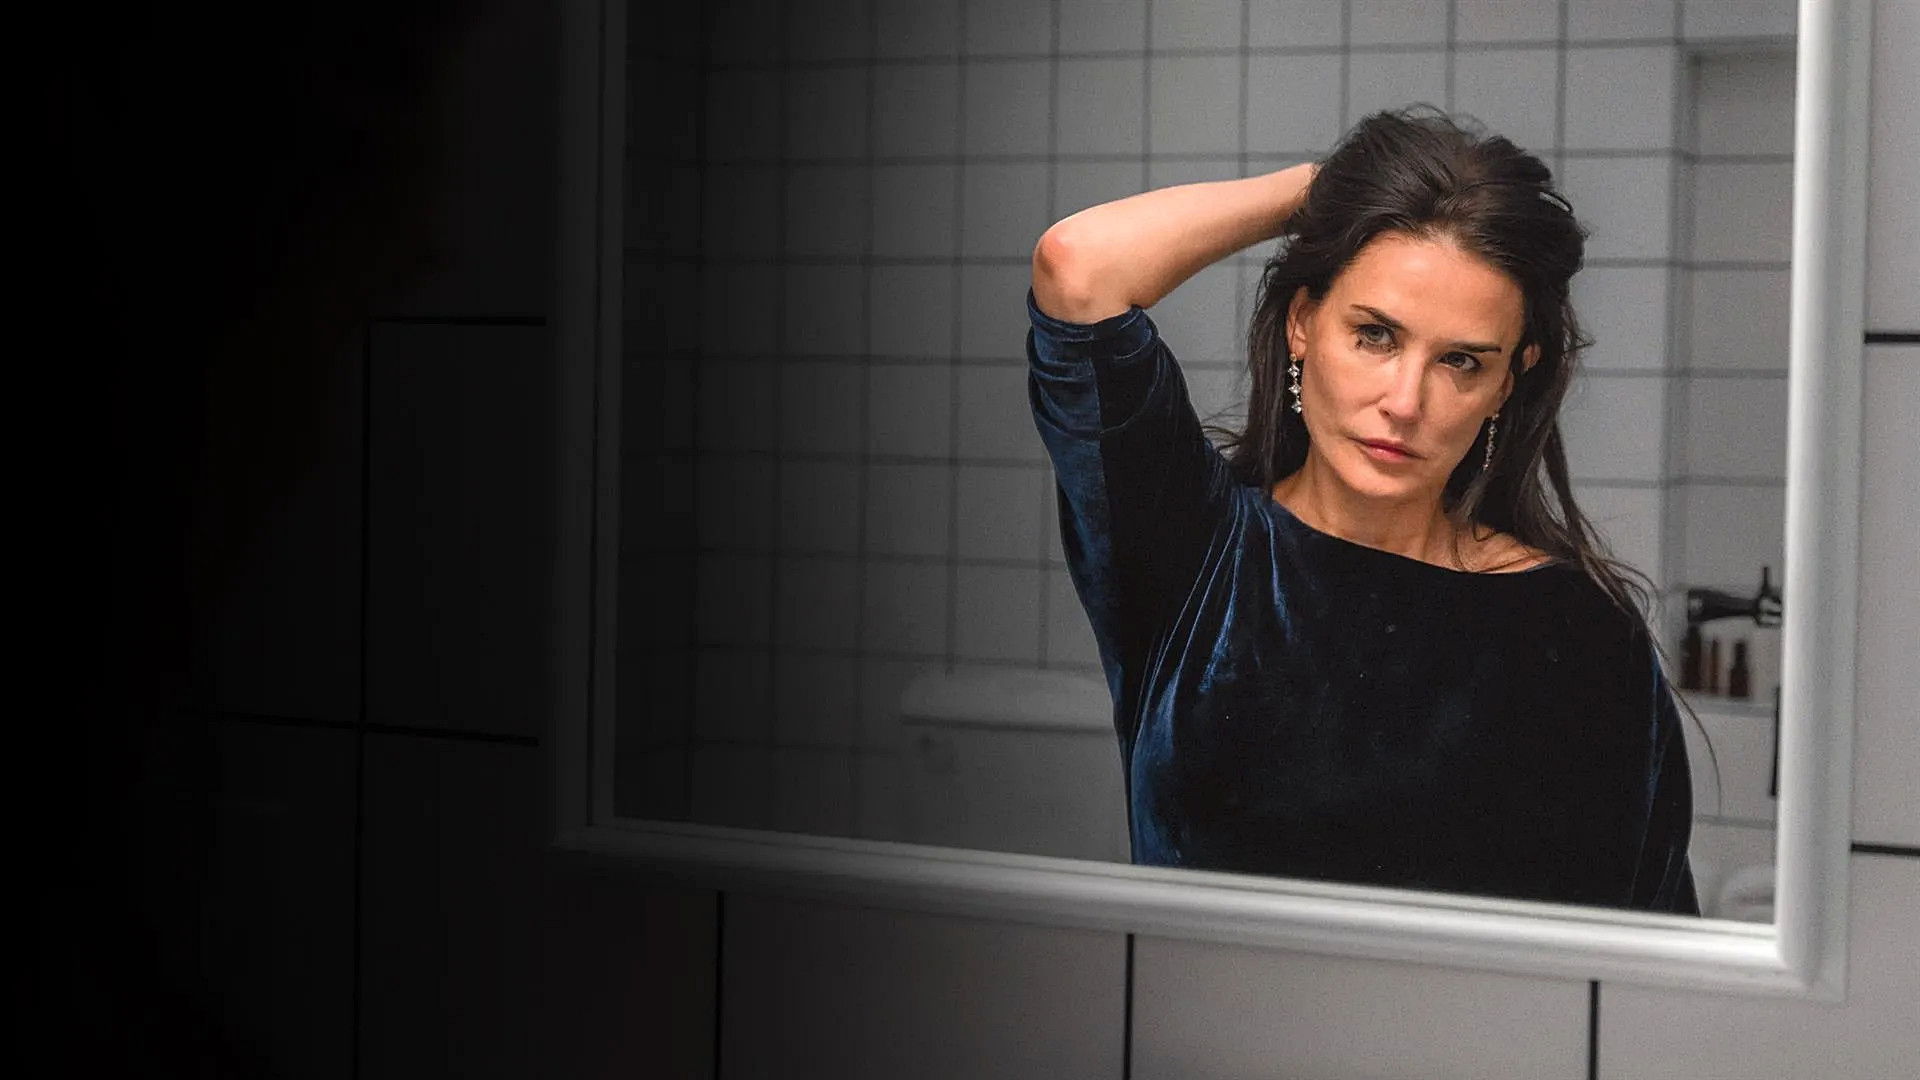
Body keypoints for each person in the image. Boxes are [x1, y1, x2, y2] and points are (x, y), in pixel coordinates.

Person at [1026, 105, 1699, 915]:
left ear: (1507, 383)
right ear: (1304, 323)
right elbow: (1078, 268)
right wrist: (1337, 188)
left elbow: (1650, 942)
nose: (1405, 402)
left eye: (1460, 361)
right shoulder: (1196, 551)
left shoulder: (1583, 636)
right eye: (1376, 335)